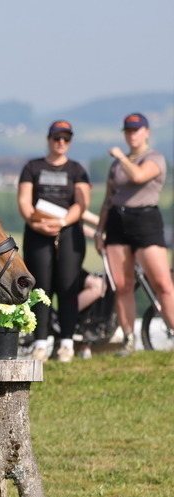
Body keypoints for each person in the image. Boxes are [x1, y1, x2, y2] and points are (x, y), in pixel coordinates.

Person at [95, 112, 174, 356]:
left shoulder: (155, 158)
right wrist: (100, 229)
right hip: (118, 221)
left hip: (145, 220)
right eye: (128, 130)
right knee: (122, 284)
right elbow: (109, 198)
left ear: (146, 132)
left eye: (136, 130)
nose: (132, 135)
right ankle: (128, 338)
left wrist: (121, 156)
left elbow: (139, 176)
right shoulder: (116, 166)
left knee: (162, 282)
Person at [17, 120, 91, 362]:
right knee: (40, 289)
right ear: (49, 139)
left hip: (68, 232)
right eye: (57, 138)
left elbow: (82, 204)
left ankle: (67, 342)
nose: (61, 143)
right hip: (37, 231)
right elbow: (25, 200)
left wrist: (61, 223)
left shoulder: (77, 169)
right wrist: (34, 221)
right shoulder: (33, 166)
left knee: (68, 287)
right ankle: (40, 342)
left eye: (66, 138)